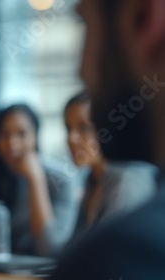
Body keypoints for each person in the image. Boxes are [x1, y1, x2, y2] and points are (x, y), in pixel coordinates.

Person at [51, 0, 165, 278]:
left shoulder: (120, 255)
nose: (81, 70)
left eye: (86, 24)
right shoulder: (90, 184)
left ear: (144, 17)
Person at [0, 104, 77, 257]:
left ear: (36, 136)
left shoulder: (61, 179)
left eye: (22, 134)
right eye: (4, 134)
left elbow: (50, 249)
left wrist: (35, 180)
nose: (12, 143)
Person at [64, 92, 156, 243]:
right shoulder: (91, 179)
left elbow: (110, 255)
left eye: (84, 128)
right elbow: (75, 245)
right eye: (68, 128)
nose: (71, 138)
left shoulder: (127, 181)